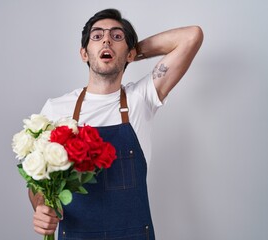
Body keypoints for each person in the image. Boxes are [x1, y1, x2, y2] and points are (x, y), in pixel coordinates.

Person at [28, 8, 203, 239]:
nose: (107, 40)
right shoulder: (55, 108)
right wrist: (41, 207)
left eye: (116, 36)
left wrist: (129, 51)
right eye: (97, 36)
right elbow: (38, 181)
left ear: (131, 54)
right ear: (84, 53)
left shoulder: (141, 98)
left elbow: (191, 36)